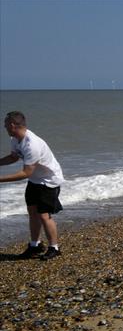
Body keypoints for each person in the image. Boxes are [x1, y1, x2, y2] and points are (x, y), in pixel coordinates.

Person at [0, 111, 65, 260]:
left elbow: (26, 172)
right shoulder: (15, 138)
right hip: (35, 180)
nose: (4, 127)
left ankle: (54, 248)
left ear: (12, 125)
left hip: (49, 181)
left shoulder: (32, 144)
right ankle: (35, 245)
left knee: (44, 216)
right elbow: (13, 157)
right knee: (32, 213)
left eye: (5, 125)